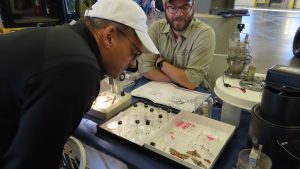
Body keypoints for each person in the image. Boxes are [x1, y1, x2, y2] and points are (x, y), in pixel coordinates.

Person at [0, 0, 158, 168]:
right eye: (134, 52)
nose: (134, 64)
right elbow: (31, 162)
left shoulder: (67, 39)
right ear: (109, 36)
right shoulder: (79, 70)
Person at [138, 0, 215, 90]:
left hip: (195, 93)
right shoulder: (156, 29)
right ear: (164, 6)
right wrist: (182, 80)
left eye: (185, 7)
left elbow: (193, 82)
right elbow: (146, 70)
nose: (179, 14)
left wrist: (162, 64)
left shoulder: (204, 33)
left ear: (193, 6)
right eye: (173, 8)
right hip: (159, 90)